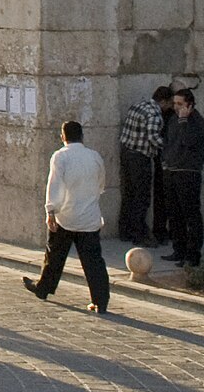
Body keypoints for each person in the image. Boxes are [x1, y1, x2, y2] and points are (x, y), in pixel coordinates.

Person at [24, 120, 111, 314]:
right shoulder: (94, 157)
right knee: (94, 261)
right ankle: (101, 300)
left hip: (66, 215)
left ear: (63, 137)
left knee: (54, 254)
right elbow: (101, 183)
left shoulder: (60, 157)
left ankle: (44, 288)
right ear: (82, 136)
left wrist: (50, 211)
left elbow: (54, 185)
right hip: (89, 217)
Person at [116, 85, 172, 244]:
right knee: (142, 197)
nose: (170, 108)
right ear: (163, 101)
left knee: (129, 194)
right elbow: (153, 137)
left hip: (127, 153)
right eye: (169, 104)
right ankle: (138, 234)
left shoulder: (138, 105)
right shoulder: (155, 115)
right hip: (140, 157)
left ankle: (125, 231)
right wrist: (169, 145)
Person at [160, 89, 204, 267]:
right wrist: (165, 161)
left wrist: (183, 120)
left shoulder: (197, 123)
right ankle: (178, 250)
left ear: (189, 105)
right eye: (174, 104)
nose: (176, 107)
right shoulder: (173, 120)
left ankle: (192, 255)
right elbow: (168, 142)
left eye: (180, 104)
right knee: (174, 215)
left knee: (190, 215)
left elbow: (188, 141)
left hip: (188, 173)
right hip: (172, 171)